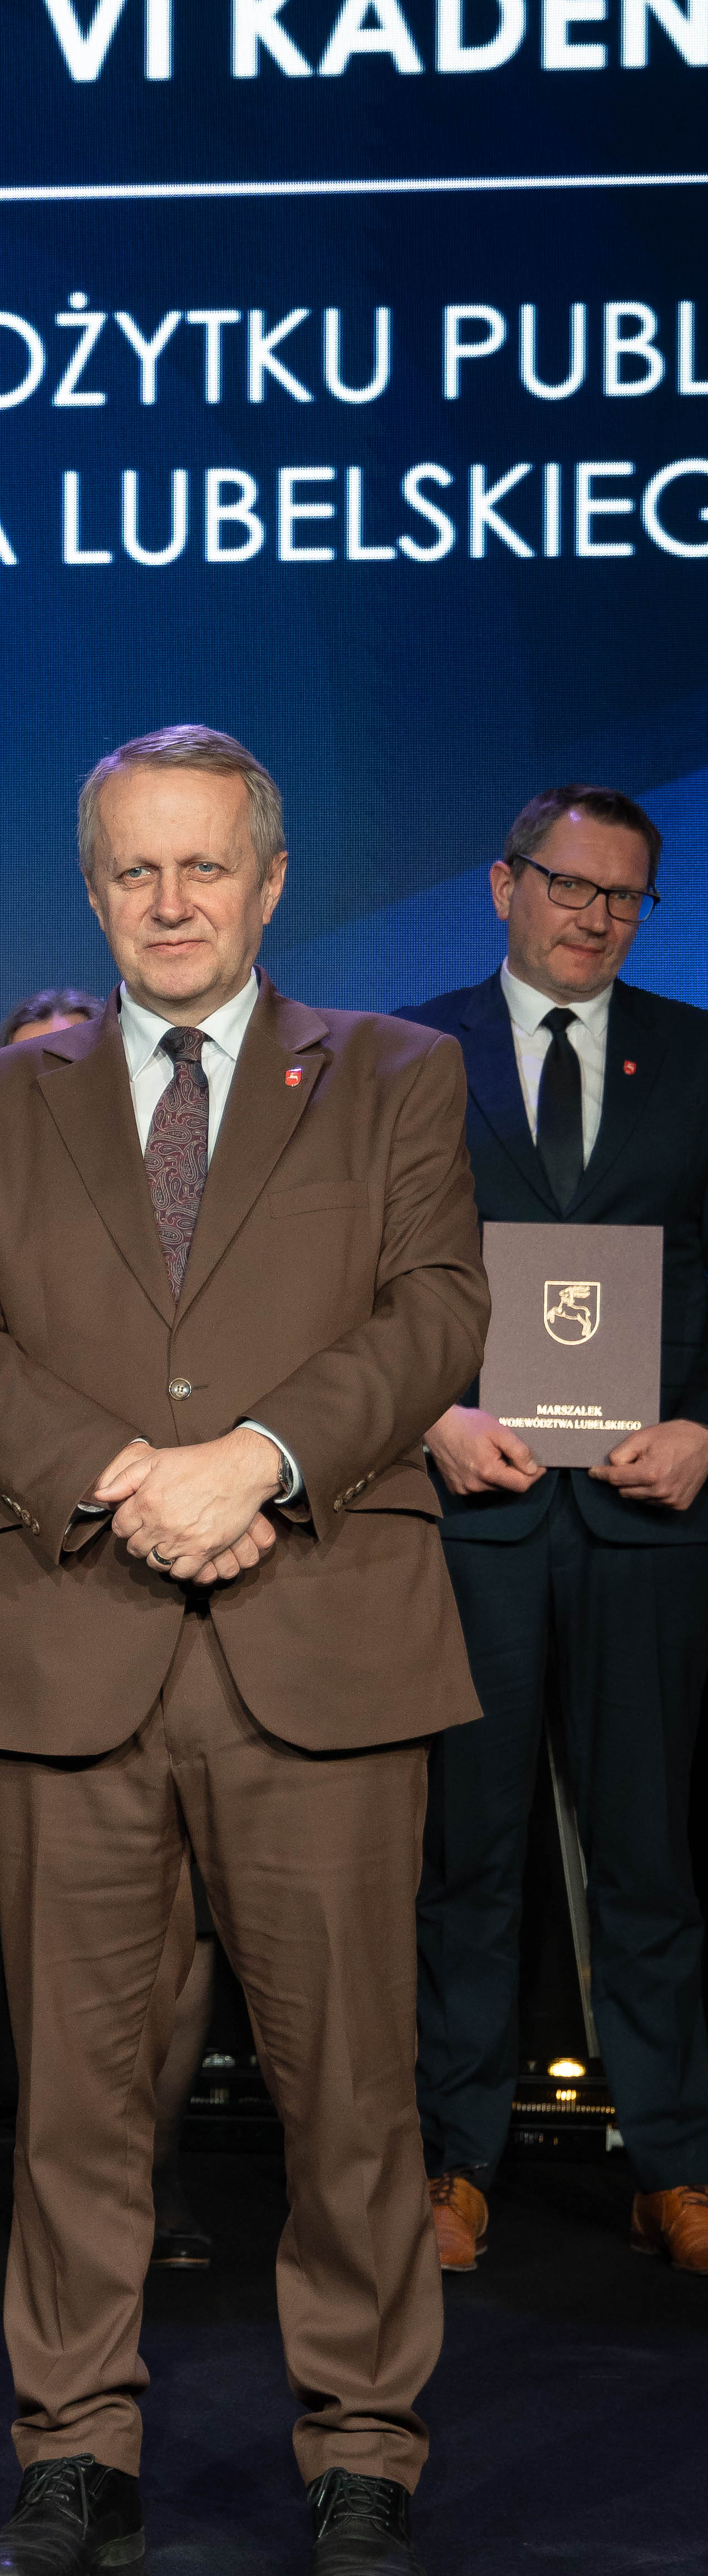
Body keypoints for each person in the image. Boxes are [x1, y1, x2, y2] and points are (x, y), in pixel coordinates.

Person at [0, 723, 488, 2576]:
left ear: (271, 880)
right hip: (76, 1650)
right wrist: (124, 1482)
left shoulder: (397, 1075)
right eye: (136, 871)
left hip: (325, 1646)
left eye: (205, 866)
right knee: (77, 2101)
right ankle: (72, 2455)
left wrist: (258, 1461)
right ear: (94, 891)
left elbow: (437, 1314)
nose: (171, 902)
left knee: (353, 2100)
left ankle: (365, 2466)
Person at [399, 789, 708, 2275]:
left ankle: (676, 2164)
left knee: (648, 1858)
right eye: (568, 885)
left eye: (622, 896)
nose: (593, 916)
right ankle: (450, 2165)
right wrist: (425, 1418)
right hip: (473, 1516)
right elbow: (354, 1273)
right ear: (502, 884)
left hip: (649, 1522)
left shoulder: (697, 1058)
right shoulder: (403, 1054)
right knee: (463, 1858)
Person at [0, 978, 218, 2259]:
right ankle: (65, 2191)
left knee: (178, 1915)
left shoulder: (195, 1245)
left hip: (178, 1603)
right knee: (38, 1917)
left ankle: (147, 2181)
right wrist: (31, 1561)